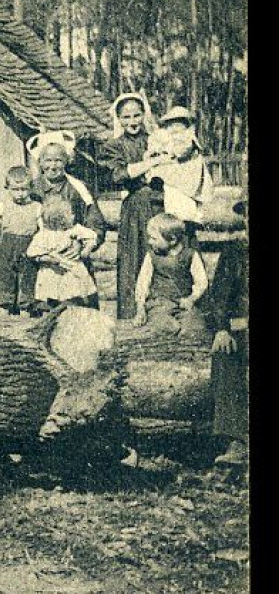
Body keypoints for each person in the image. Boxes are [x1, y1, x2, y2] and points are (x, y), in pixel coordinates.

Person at [97, 92, 161, 320]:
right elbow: (118, 175)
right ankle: (132, 310)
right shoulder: (114, 146)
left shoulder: (157, 139)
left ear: (144, 115)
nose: (132, 121)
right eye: (126, 117)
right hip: (135, 207)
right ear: (119, 119)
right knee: (135, 256)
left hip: (161, 204)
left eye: (136, 115)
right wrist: (151, 163)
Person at [205, 196, 248, 467]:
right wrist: (221, 328)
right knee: (226, 353)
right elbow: (219, 296)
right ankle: (237, 441)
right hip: (240, 329)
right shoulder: (234, 252)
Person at [132, 213, 209, 342]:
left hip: (184, 303)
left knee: (194, 326)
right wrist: (140, 309)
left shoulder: (190, 255)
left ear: (172, 240)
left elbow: (201, 282)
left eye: (154, 238)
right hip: (159, 305)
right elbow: (142, 283)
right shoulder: (151, 256)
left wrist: (192, 298)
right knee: (164, 325)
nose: (149, 242)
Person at [27, 130, 106, 252]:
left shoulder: (79, 188)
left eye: (58, 160)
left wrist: (82, 245)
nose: (53, 166)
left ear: (67, 160)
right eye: (48, 160)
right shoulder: (32, 189)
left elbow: (95, 224)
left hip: (72, 250)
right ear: (40, 162)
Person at [26, 196, 101, 314]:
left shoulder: (74, 230)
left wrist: (86, 249)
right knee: (52, 293)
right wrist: (48, 259)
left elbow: (92, 236)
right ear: (60, 218)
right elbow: (33, 252)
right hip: (52, 270)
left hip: (71, 269)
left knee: (72, 293)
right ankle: (53, 310)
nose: (74, 216)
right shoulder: (44, 235)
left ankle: (70, 310)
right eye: (71, 213)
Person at [0, 166, 41, 315]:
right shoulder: (2, 206)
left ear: (31, 188)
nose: (20, 194)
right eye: (15, 189)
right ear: (7, 188)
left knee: (29, 275)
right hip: (6, 245)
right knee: (5, 274)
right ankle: (6, 305)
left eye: (24, 189)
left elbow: (43, 228)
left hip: (29, 245)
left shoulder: (36, 207)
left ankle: (26, 305)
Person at [149, 106, 211, 225]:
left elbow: (182, 152)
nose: (175, 127)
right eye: (172, 124)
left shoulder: (187, 139)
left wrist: (170, 151)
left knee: (187, 197)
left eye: (180, 123)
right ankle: (175, 218)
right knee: (173, 195)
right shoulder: (167, 138)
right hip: (175, 174)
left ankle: (188, 218)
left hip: (188, 172)